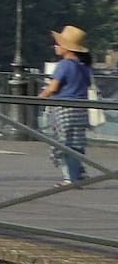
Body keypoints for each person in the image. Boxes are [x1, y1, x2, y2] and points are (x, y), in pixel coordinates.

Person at [39, 25, 94, 186]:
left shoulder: (64, 65)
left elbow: (53, 87)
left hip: (64, 109)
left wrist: (41, 97)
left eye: (58, 44)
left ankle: (69, 178)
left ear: (67, 48)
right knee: (76, 143)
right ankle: (79, 172)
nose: (55, 46)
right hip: (81, 110)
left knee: (63, 143)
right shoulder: (84, 67)